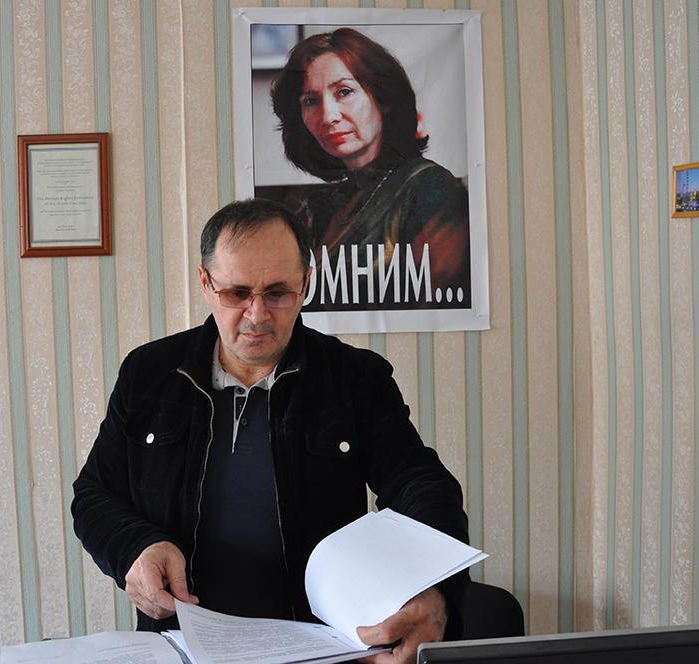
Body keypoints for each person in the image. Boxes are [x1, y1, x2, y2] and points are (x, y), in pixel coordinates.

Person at [72, 199, 469, 663]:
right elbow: (94, 493)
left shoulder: (355, 378)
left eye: (277, 292)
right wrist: (133, 549)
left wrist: (435, 588)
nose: (257, 315)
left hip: (322, 648)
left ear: (305, 283)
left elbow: (422, 486)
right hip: (183, 645)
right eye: (237, 293)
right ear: (206, 284)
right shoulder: (149, 373)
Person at [267, 28, 470, 310]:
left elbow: (439, 309)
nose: (329, 116)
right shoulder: (320, 205)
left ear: (383, 98)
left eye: (345, 92)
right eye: (310, 101)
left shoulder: (430, 188)